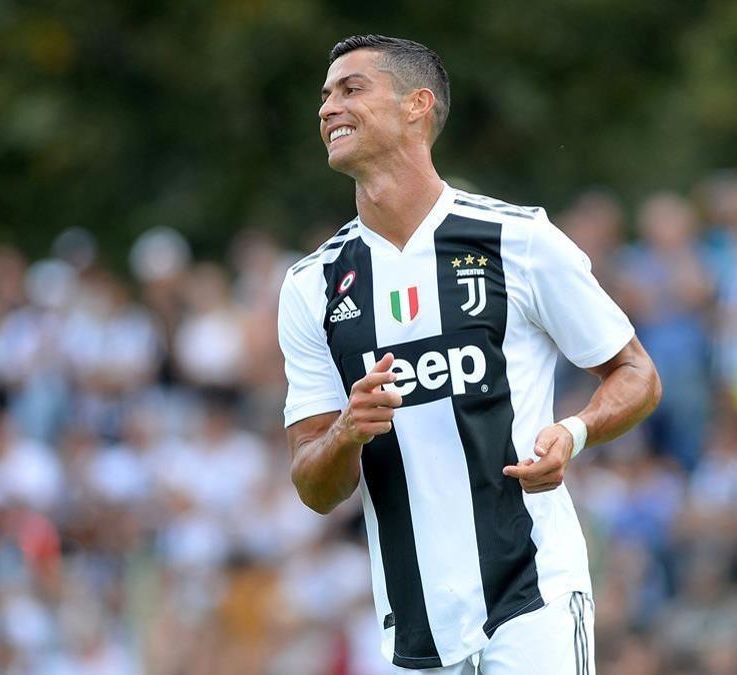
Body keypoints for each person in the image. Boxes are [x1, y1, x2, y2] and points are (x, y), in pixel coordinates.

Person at [277, 35, 661, 674]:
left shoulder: (519, 240)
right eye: (324, 96)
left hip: (532, 590)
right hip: (412, 626)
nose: (327, 108)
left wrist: (572, 432)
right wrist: (347, 431)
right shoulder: (311, 285)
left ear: (415, 106)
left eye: (351, 89)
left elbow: (637, 374)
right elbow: (313, 486)